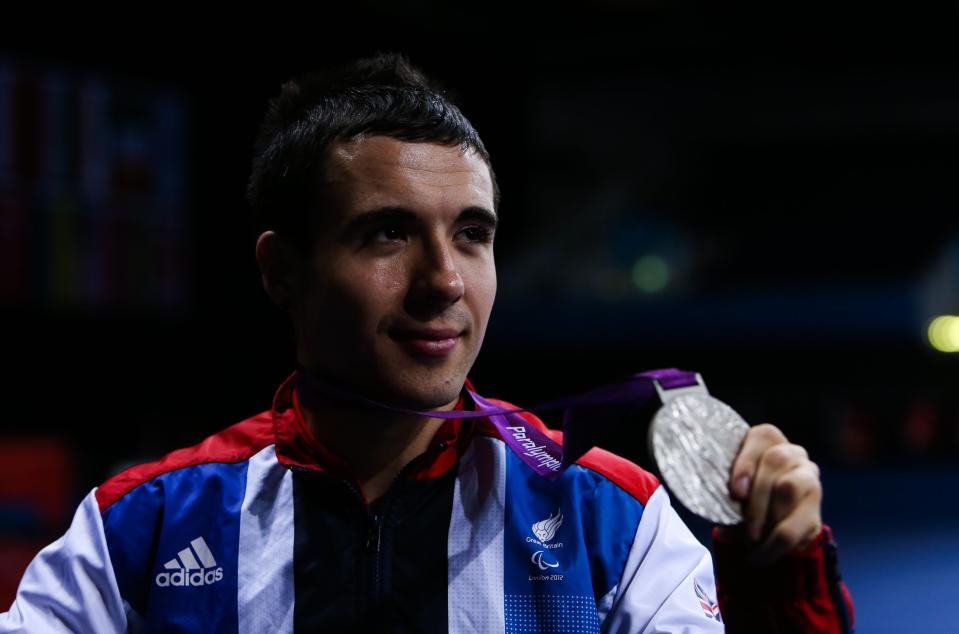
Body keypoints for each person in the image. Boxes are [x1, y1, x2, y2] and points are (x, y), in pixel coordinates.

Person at [0, 53, 853, 633]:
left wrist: (778, 580)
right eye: (387, 235)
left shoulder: (607, 519)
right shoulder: (142, 531)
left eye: (472, 235)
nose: (444, 280)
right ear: (281, 272)